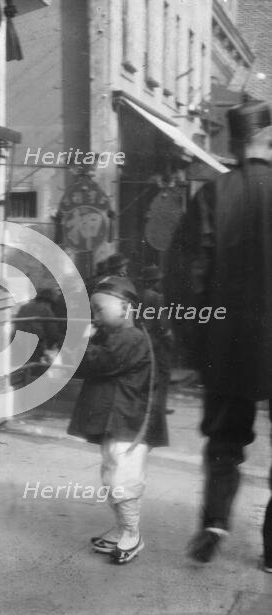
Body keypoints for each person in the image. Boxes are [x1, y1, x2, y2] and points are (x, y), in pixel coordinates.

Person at [166, 100, 272, 570]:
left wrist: (195, 347)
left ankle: (213, 522)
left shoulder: (212, 194)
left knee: (225, 442)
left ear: (233, 144)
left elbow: (187, 275)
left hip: (227, 345)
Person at [68, 276, 168, 565]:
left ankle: (132, 534)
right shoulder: (116, 337)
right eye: (93, 311)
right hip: (118, 421)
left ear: (125, 308)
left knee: (124, 478)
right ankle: (123, 528)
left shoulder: (131, 338)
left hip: (130, 423)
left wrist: (79, 340)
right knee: (112, 475)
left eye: (100, 309)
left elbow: (101, 362)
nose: (95, 315)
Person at [139, 265, 174, 416]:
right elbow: (162, 324)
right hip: (157, 342)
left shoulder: (140, 295)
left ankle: (146, 405)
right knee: (164, 373)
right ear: (154, 281)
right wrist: (169, 338)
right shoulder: (156, 297)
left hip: (143, 339)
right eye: (159, 280)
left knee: (147, 373)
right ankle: (160, 406)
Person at [14, 288, 61, 364]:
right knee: (34, 367)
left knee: (22, 368)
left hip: (17, 342)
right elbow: (52, 332)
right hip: (34, 344)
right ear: (50, 301)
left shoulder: (24, 307)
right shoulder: (46, 310)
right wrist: (52, 344)